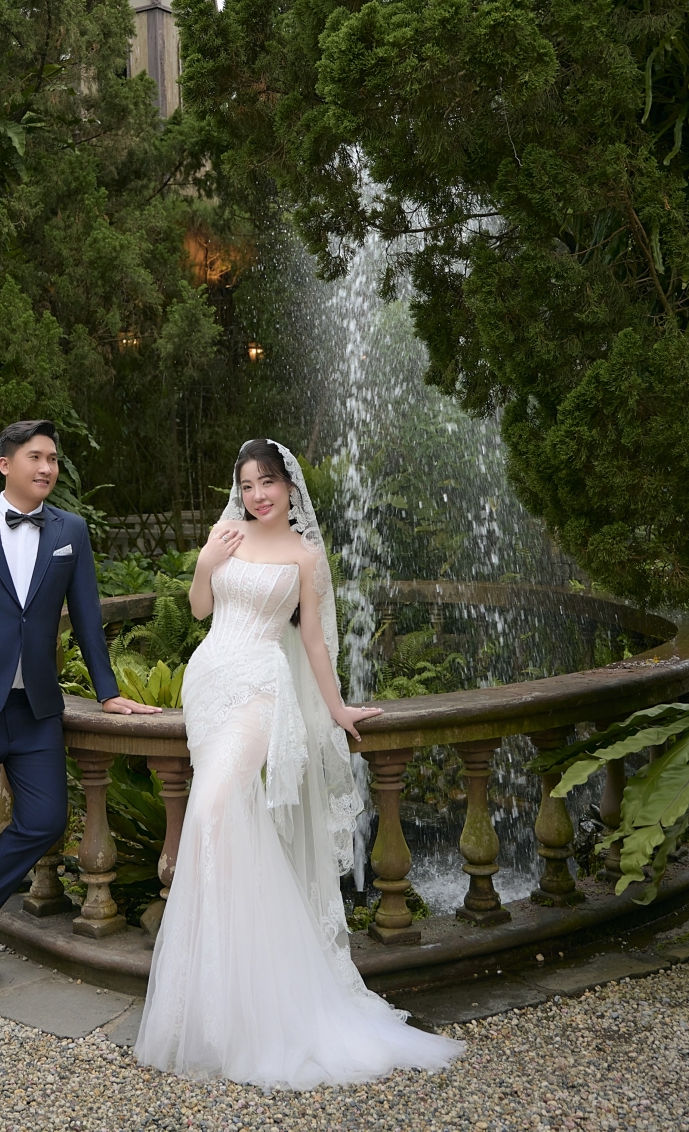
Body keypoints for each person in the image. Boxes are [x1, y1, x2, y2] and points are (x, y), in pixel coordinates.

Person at [134, 438, 464, 1088]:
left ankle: (269, 993)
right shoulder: (226, 535)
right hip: (208, 681)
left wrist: (337, 708)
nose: (257, 495)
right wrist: (205, 561)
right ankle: (221, 998)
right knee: (218, 823)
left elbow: (311, 638)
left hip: (261, 686)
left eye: (267, 482)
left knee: (214, 810)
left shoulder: (305, 555)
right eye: (246, 484)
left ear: (289, 486)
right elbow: (200, 609)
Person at [0, 419, 160, 1006]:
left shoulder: (71, 530)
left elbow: (88, 615)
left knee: (46, 819)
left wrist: (107, 691)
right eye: (35, 457)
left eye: (53, 458)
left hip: (37, 709)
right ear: (6, 465)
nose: (47, 467)